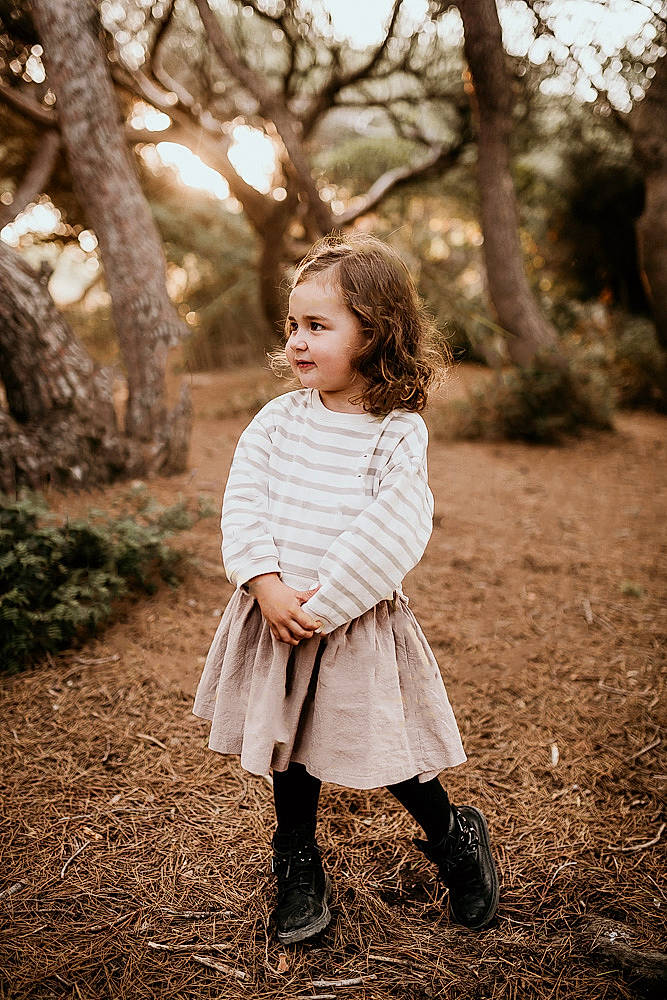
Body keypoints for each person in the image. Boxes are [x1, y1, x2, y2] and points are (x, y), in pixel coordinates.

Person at [192, 233, 499, 944]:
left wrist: (323, 607)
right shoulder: (278, 421)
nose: (297, 342)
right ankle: (296, 859)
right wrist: (265, 583)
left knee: (384, 750)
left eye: (318, 326)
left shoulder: (395, 433)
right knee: (291, 747)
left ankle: (455, 838)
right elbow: (244, 503)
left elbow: (393, 530)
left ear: (375, 333)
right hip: (274, 615)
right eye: (293, 325)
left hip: (350, 622)